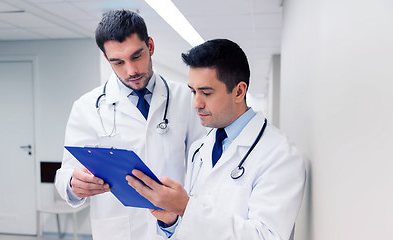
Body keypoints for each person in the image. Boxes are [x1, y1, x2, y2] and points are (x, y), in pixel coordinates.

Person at [126, 39, 306, 240]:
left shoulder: (280, 154)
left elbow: (266, 236)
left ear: (239, 91)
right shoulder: (200, 148)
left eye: (206, 93)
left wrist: (186, 207)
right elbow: (197, 226)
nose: (196, 103)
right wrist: (173, 220)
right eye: (193, 91)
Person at [55, 9, 206, 240]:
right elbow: (66, 173)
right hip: (118, 230)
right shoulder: (87, 107)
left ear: (151, 46)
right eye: (118, 62)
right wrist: (74, 183)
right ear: (107, 59)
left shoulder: (186, 99)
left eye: (137, 56)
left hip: (176, 228)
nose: (131, 71)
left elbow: (204, 168)